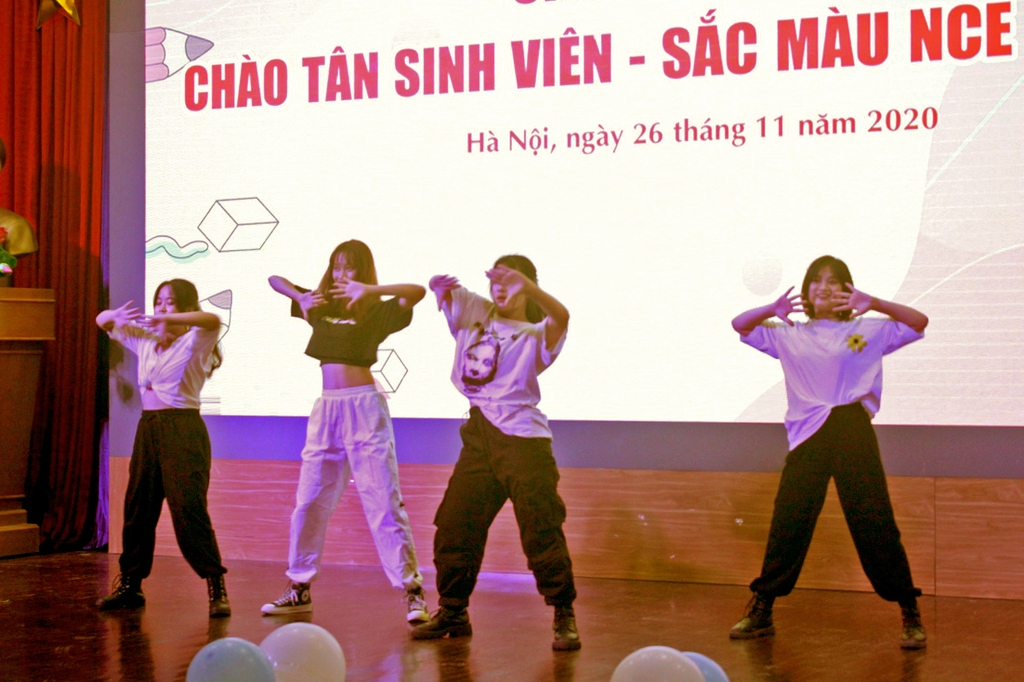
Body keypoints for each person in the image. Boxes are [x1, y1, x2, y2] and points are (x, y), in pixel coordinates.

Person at [729, 255, 928, 649]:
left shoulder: (866, 330)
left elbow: (918, 322)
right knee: (790, 519)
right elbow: (741, 325)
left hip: (851, 426)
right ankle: (762, 610)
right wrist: (771, 309)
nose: (824, 286)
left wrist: (876, 303)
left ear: (847, 289)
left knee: (874, 520)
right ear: (806, 291)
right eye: (817, 280)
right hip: (809, 434)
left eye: (834, 280)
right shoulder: (788, 334)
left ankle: (909, 611)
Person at [411, 255, 581, 651]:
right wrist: (438, 286)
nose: (500, 289)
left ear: (527, 287)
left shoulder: (534, 334)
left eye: (511, 282)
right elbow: (443, 288)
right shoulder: (478, 313)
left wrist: (529, 286)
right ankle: (454, 611)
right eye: (496, 282)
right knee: (455, 524)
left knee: (541, 528)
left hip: (523, 441)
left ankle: (563, 613)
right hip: (479, 434)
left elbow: (562, 316)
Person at [261, 239, 429, 623]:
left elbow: (417, 291)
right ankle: (299, 587)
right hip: (327, 409)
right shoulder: (322, 305)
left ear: (362, 271)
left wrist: (370, 291)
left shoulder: (376, 310)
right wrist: (300, 298)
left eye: (349, 267)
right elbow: (274, 279)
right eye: (336, 266)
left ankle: (413, 592)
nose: (341, 274)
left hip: (364, 407)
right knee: (309, 501)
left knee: (383, 500)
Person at [95, 278, 230, 618]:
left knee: (188, 509)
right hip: (149, 428)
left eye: (170, 302)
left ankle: (216, 586)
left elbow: (213, 320)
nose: (162, 308)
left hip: (182, 429)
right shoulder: (145, 340)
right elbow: (101, 320)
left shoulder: (194, 340)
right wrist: (115, 316)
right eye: (159, 301)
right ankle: (131, 585)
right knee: (138, 507)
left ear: (186, 307)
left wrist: (169, 319)